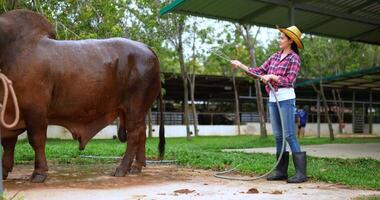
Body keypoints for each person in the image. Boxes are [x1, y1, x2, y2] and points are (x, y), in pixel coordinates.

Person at [230, 26, 307, 183]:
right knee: (278, 137)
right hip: (273, 99)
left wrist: (272, 76)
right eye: (279, 37)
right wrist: (240, 65)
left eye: (281, 37)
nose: (279, 40)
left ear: (290, 40)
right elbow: (257, 71)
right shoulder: (275, 56)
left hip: (285, 99)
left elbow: (289, 80)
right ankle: (280, 171)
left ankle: (301, 174)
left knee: (290, 135)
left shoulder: (294, 58)